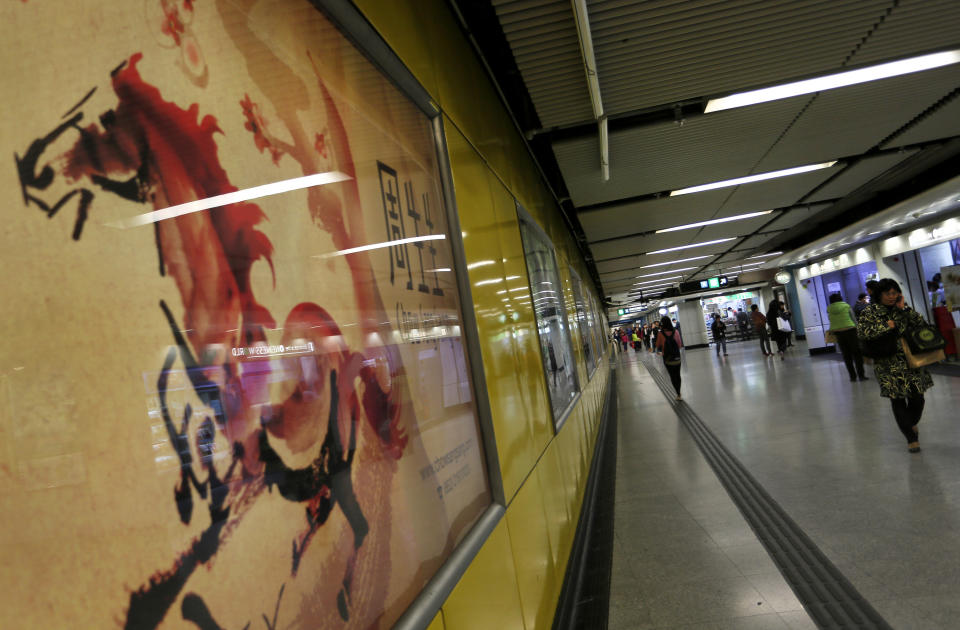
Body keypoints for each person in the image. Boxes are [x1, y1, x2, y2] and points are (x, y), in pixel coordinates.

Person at [857, 278, 934, 453]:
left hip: (911, 360)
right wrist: (886, 326)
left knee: (918, 398)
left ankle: (911, 424)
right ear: (879, 294)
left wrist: (905, 309)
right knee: (897, 398)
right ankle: (911, 439)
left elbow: (921, 324)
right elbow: (863, 333)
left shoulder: (903, 309)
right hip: (887, 363)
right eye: (887, 293)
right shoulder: (870, 312)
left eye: (894, 293)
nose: (892, 297)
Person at [827, 293, 866, 382]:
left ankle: (852, 377)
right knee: (857, 354)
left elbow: (830, 319)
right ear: (840, 298)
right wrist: (858, 328)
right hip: (850, 331)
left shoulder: (829, 308)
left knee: (846, 355)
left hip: (838, 333)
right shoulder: (846, 306)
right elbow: (853, 318)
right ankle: (861, 375)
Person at [655, 316, 684, 400]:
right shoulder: (676, 331)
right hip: (677, 357)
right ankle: (679, 392)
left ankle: (678, 394)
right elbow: (679, 345)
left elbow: (657, 345)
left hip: (667, 358)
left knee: (672, 376)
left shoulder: (661, 333)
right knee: (678, 375)